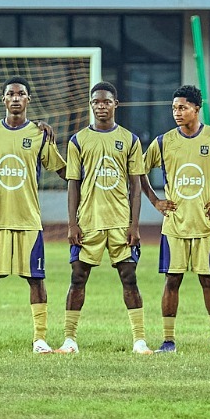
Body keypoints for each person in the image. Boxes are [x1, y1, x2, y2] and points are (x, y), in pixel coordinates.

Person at [141, 84, 210, 353]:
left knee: (209, 281)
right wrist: (156, 201)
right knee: (171, 281)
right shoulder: (163, 142)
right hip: (174, 226)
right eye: (174, 108)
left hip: (206, 226)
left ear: (197, 109)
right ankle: (168, 341)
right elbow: (138, 169)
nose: (177, 112)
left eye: (182, 108)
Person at [0, 78, 66, 353]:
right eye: (10, 94)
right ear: (3, 99)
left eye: (20, 94)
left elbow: (59, 168)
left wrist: (84, 178)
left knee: (36, 279)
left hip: (28, 219)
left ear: (28, 100)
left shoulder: (40, 134)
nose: (15, 98)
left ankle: (39, 339)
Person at [64, 81, 148, 354]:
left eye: (106, 102)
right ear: (91, 105)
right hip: (88, 222)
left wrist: (134, 225)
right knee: (78, 277)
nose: (101, 106)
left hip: (120, 222)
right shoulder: (78, 140)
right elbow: (73, 184)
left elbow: (136, 186)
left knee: (129, 277)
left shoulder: (129, 139)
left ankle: (139, 340)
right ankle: (69, 339)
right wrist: (72, 223)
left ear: (115, 104)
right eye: (96, 102)